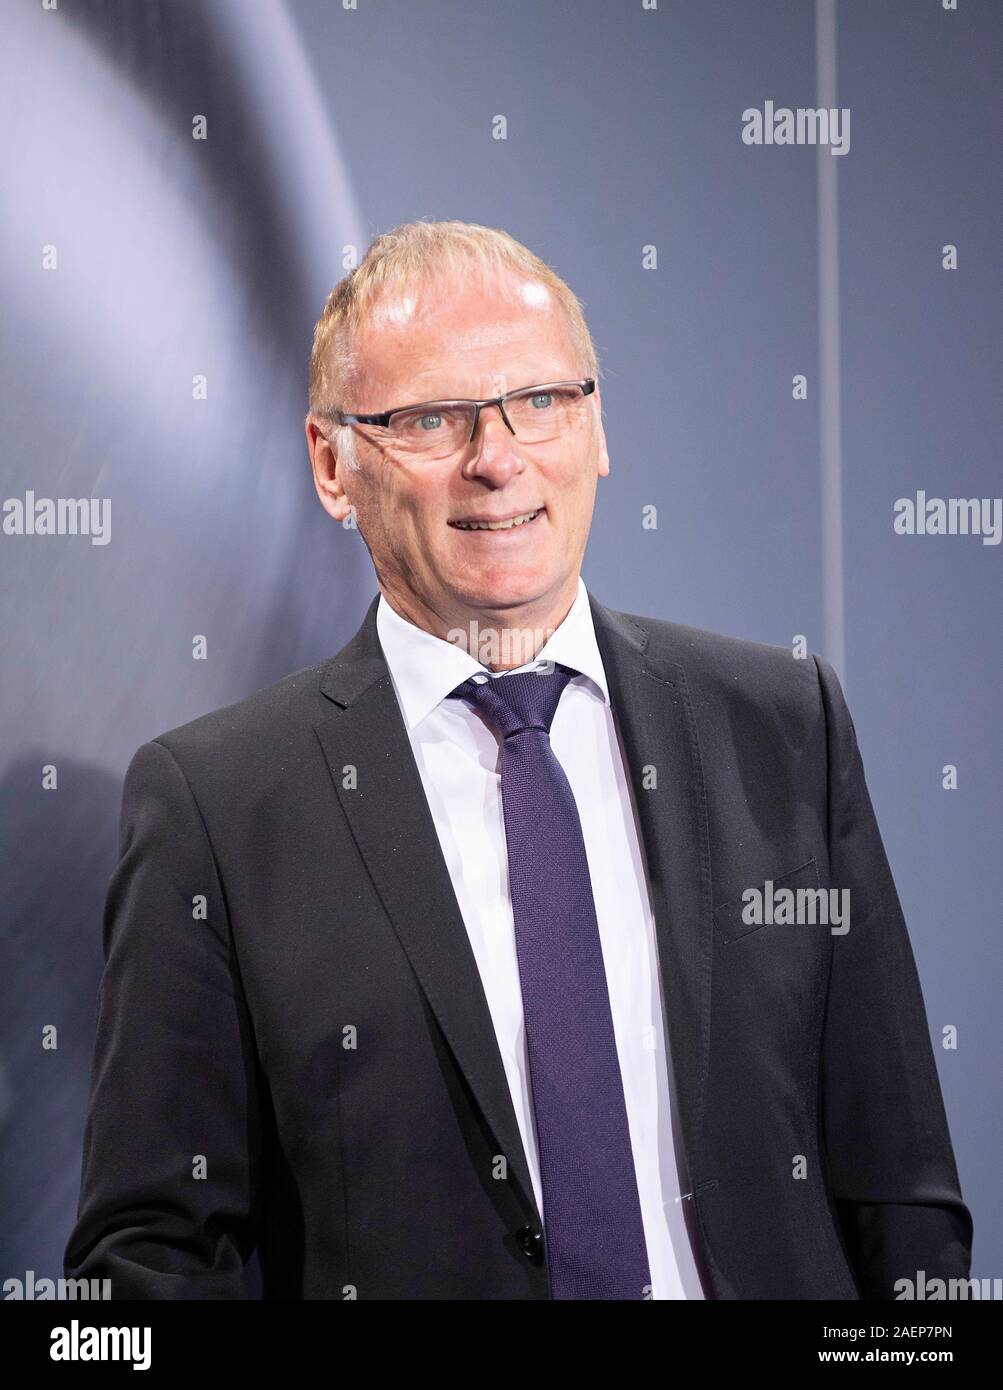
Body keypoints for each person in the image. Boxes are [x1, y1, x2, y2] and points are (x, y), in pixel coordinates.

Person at [64, 219, 972, 1299]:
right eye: (431, 418)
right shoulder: (217, 805)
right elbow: (153, 1259)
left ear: (596, 429)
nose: (496, 459)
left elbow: (898, 1190)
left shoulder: (782, 726)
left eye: (539, 401)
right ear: (331, 463)